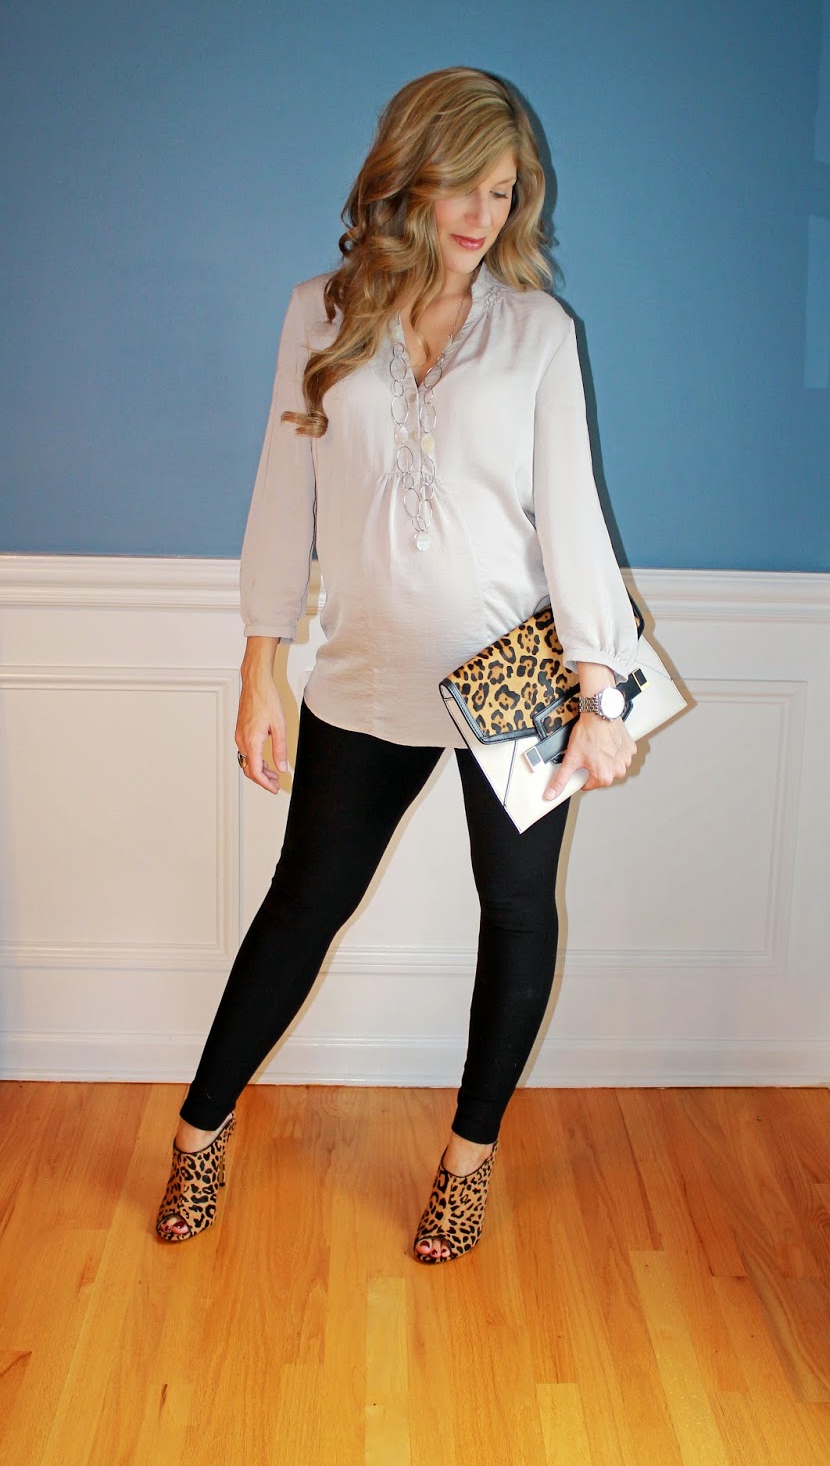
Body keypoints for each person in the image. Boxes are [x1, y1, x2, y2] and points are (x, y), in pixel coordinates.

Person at [155, 65, 638, 1262]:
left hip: (516, 670)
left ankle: (465, 1163)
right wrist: (260, 666)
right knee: (303, 905)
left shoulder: (537, 334)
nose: (481, 212)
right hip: (367, 667)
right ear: (406, 178)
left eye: (503, 190)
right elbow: (282, 494)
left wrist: (600, 691)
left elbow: (571, 517)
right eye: (462, 183)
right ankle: (199, 1132)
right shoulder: (318, 314)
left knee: (515, 911)